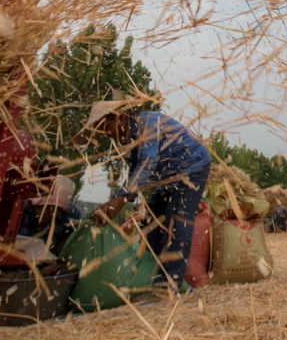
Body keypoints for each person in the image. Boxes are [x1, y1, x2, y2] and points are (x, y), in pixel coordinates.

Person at [73, 101, 211, 292]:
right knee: (150, 223)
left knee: (178, 220)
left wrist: (119, 202)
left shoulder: (147, 124)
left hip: (193, 167)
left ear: (119, 118)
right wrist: (117, 200)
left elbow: (147, 164)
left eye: (105, 127)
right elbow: (135, 174)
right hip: (169, 177)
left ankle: (169, 285)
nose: (105, 134)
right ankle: (153, 273)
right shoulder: (127, 141)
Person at [18, 174, 83, 256]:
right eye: (47, 207)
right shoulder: (21, 208)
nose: (50, 213)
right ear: (37, 204)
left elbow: (83, 228)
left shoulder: (69, 211)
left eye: (57, 210)